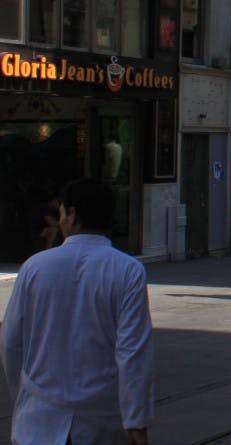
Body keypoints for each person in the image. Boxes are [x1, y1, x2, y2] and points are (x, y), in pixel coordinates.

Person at [2, 178, 155, 444]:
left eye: (61, 212)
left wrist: (25, 397)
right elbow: (133, 352)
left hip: (39, 421)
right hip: (101, 422)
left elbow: (10, 342)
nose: (60, 219)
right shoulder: (127, 270)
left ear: (72, 215)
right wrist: (135, 420)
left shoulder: (34, 267)